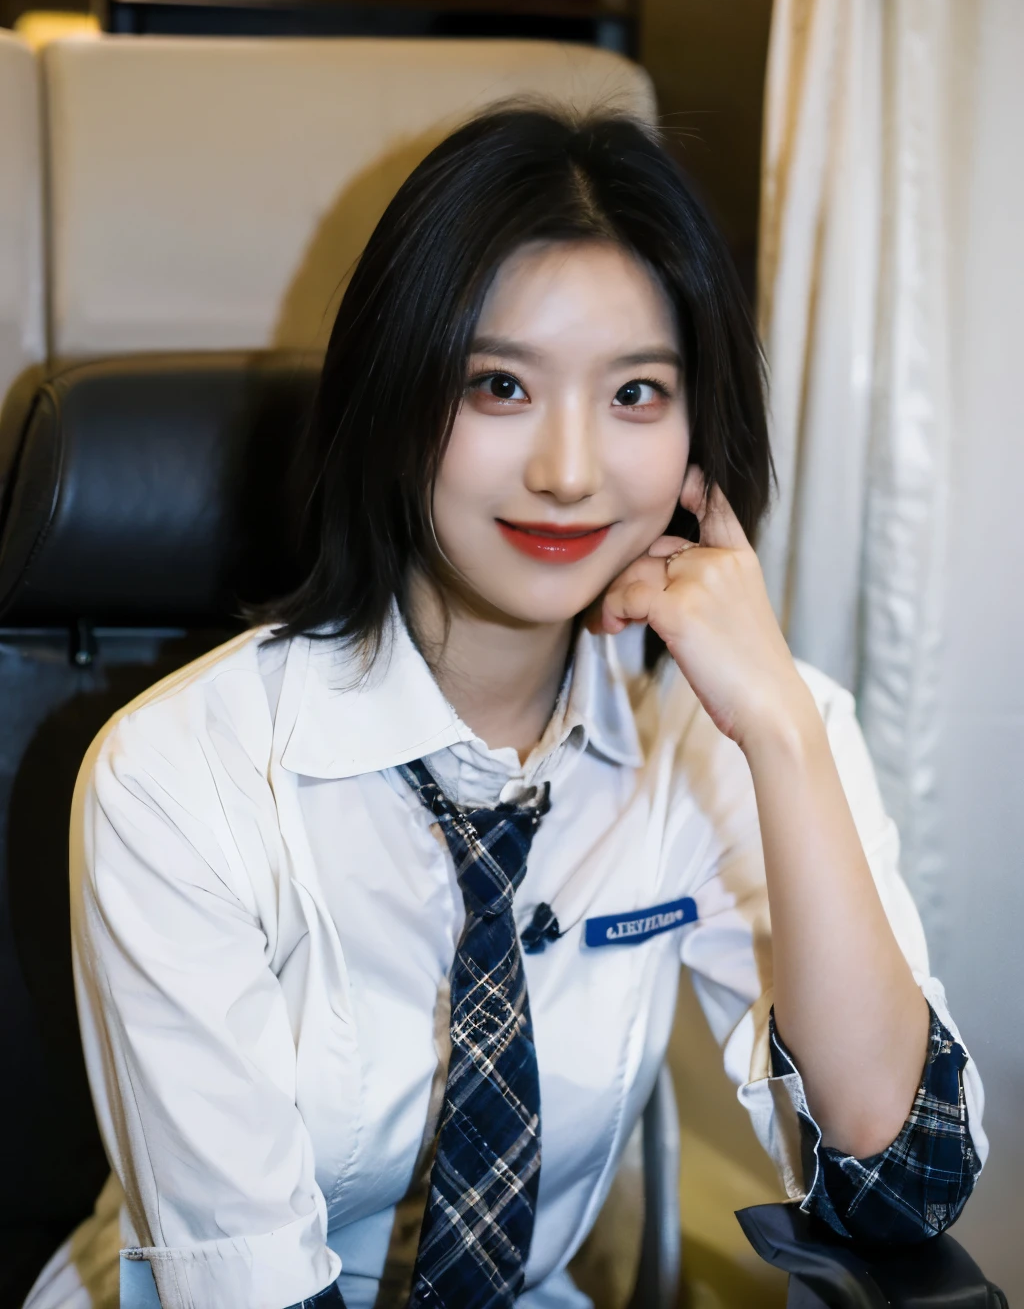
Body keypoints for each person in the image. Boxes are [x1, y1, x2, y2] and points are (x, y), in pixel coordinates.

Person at [26, 107, 985, 1309]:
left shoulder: (739, 730)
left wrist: (786, 739)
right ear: (393, 400)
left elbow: (901, 1190)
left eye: (637, 392)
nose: (569, 471)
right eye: (498, 386)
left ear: (700, 439)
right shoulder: (178, 775)